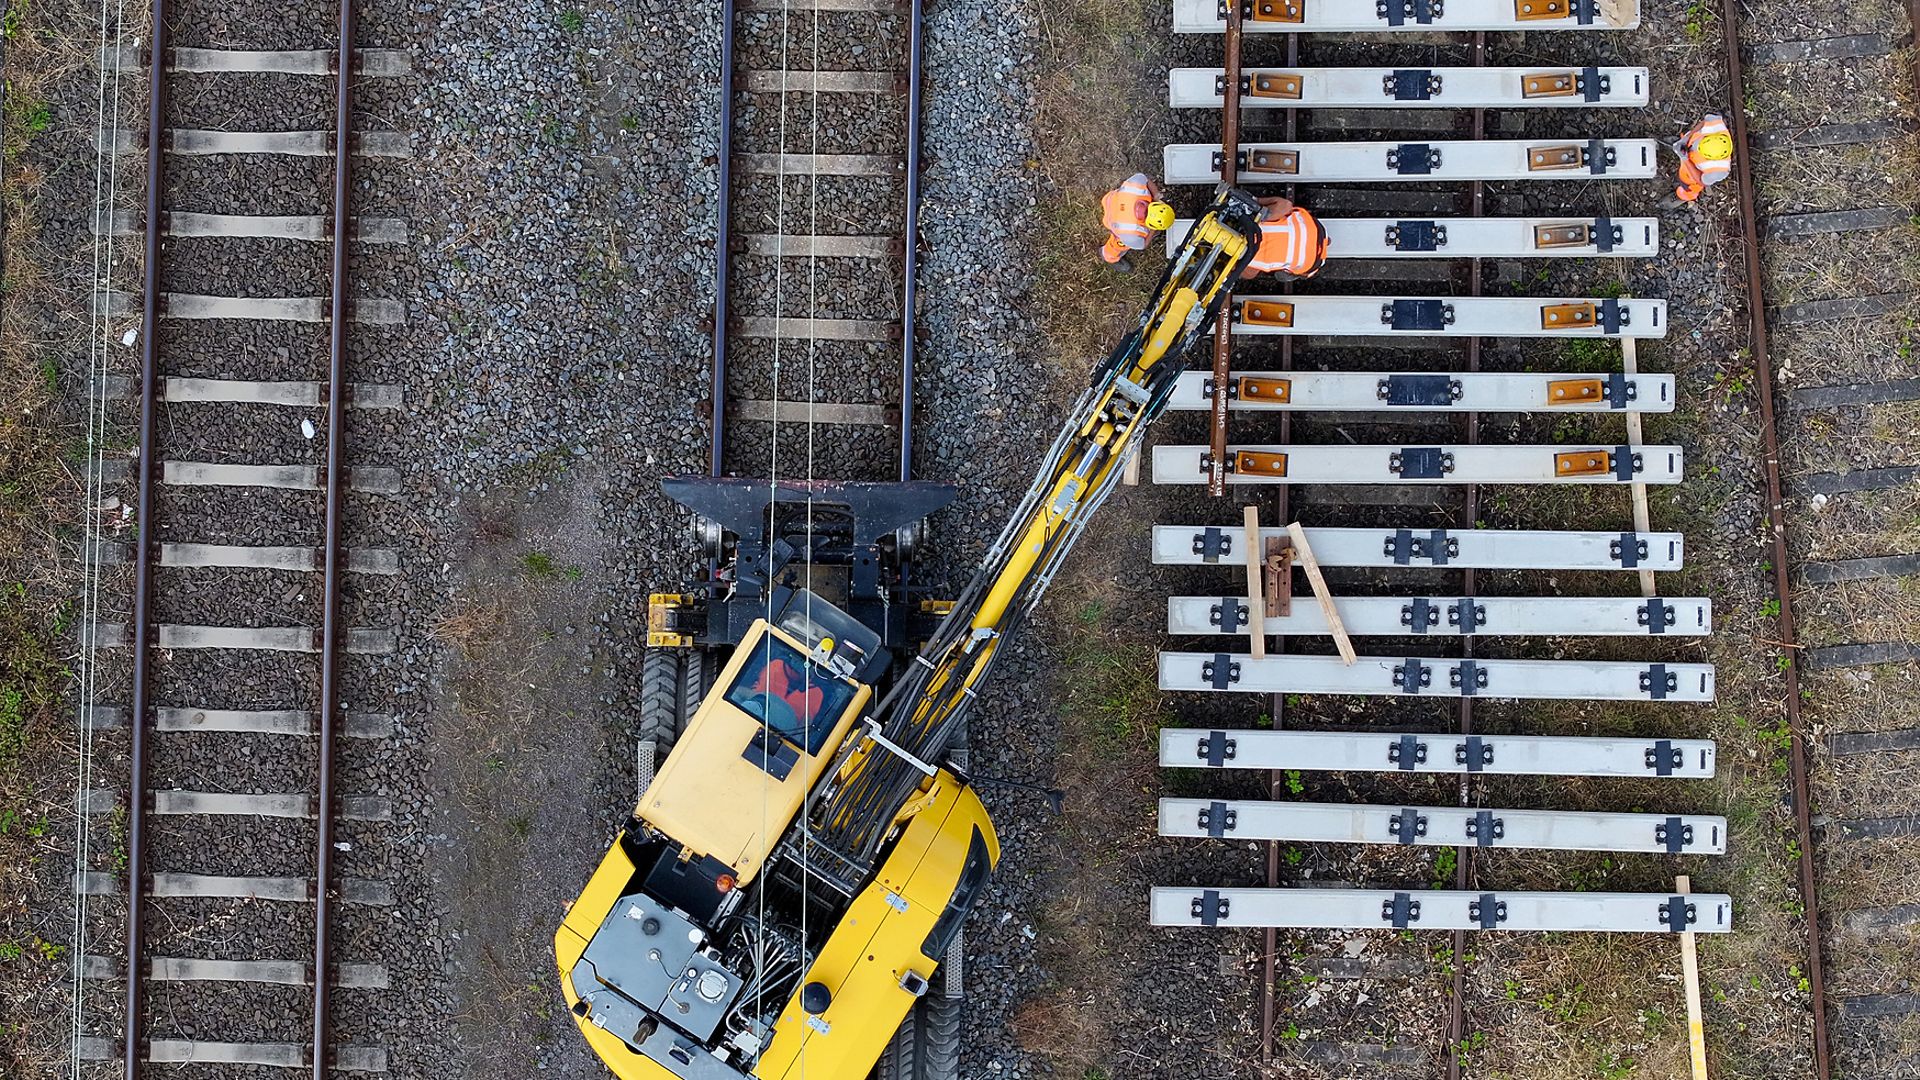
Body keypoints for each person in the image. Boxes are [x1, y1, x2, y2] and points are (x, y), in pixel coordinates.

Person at [1100, 172, 1176, 271]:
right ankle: (1108, 256)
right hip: (1111, 219)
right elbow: (1143, 245)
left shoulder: (1137, 186)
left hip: (1109, 199)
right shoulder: (1131, 235)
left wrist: (1156, 194)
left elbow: (1145, 179)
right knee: (1119, 243)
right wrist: (1153, 230)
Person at [1241, 195, 1328, 280]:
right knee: (1250, 274)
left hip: (1255, 220)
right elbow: (1282, 275)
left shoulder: (1314, 227)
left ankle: (1251, 200)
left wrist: (1257, 201)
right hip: (1245, 252)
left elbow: (1289, 208)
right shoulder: (1307, 268)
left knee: (1286, 205)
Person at [1673, 114, 1733, 204]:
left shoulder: (1719, 171)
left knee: (1687, 182)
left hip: (1692, 167)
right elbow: (1704, 122)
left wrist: (1685, 160)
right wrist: (1686, 138)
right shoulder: (1716, 125)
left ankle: (1686, 195)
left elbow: (1701, 181)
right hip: (1688, 144)